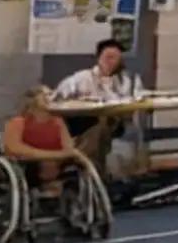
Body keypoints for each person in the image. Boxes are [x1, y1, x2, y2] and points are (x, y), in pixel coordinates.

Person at [49, 38, 145, 169]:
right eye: (108, 57)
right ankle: (90, 168)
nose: (112, 62)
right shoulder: (83, 78)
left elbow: (138, 99)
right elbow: (57, 96)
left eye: (117, 58)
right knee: (98, 129)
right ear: (99, 58)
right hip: (83, 121)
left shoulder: (130, 80)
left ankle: (84, 166)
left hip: (116, 122)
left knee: (102, 127)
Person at [4, 87, 87, 205]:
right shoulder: (18, 122)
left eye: (52, 94)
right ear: (33, 100)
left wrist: (71, 155)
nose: (51, 97)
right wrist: (51, 156)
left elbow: (68, 148)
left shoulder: (58, 122)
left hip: (57, 165)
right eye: (45, 94)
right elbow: (15, 148)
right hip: (29, 167)